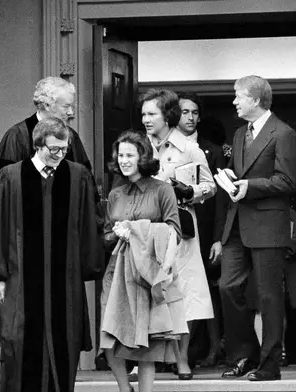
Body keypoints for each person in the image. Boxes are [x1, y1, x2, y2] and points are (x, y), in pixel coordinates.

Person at [0, 117, 104, 392]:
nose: (59, 155)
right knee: (17, 344)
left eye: (64, 149)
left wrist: (85, 267)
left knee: (64, 343)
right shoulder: (10, 176)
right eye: (53, 149)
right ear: (37, 145)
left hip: (64, 282)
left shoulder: (77, 175)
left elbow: (87, 226)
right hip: (19, 280)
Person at [217, 75, 296, 382]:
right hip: (237, 221)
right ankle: (243, 355)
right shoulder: (240, 134)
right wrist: (230, 176)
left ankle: (269, 364)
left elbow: (288, 181)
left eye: (238, 96)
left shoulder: (284, 133)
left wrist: (248, 185)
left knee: (268, 296)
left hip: (268, 222)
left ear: (256, 99)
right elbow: (242, 172)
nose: (234, 102)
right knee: (227, 286)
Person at [100, 130, 187, 392]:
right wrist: (116, 233)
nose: (124, 160)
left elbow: (175, 231)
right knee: (109, 338)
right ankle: (125, 389)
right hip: (117, 274)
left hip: (149, 274)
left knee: (146, 344)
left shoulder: (162, 190)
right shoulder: (116, 193)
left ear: (143, 157)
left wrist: (137, 229)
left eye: (130, 155)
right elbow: (105, 235)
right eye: (121, 155)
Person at [141, 89, 216, 379]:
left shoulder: (189, 148)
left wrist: (191, 191)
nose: (146, 119)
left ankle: (181, 358)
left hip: (181, 229)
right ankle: (146, 358)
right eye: (144, 114)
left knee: (184, 294)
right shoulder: (137, 146)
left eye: (152, 114)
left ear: (167, 115)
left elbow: (210, 186)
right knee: (147, 294)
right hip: (146, 229)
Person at [0, 76, 97, 238]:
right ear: (47, 105)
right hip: (25, 229)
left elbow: (86, 182)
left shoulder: (71, 137)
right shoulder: (18, 135)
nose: (71, 112)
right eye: (66, 106)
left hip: (66, 227)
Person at [176, 92, 227, 367]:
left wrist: (218, 239)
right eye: (185, 112)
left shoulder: (213, 150)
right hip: (175, 233)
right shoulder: (163, 148)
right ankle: (177, 354)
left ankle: (203, 351)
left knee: (202, 293)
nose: (191, 117)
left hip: (204, 232)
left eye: (195, 112)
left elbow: (220, 200)